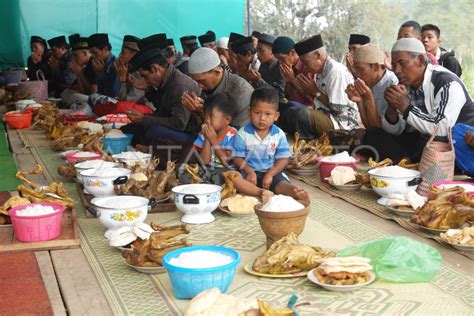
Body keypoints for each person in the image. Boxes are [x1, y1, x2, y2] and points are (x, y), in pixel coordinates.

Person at [377, 38, 474, 162]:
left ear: (420, 60)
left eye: (402, 63)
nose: (397, 70)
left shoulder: (446, 82)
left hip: (459, 142)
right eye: (394, 65)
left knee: (427, 141)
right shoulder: (406, 84)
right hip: (427, 139)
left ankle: (410, 161)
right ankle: (408, 161)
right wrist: (392, 107)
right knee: (375, 135)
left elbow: (442, 128)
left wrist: (405, 107)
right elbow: (396, 130)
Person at [230, 88, 310, 203]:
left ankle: (295, 192)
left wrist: (270, 174)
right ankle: (260, 192)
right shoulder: (243, 134)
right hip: (248, 173)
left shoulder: (278, 134)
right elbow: (237, 157)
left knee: (281, 184)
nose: (262, 118)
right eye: (257, 113)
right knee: (234, 178)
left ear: (276, 116)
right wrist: (249, 171)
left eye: (268, 114)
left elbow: (283, 158)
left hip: (271, 173)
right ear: (249, 112)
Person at [122, 44, 200, 154]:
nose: (144, 79)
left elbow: (178, 124)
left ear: (154, 68)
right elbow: (163, 108)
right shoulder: (168, 79)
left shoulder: (179, 85)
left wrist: (144, 119)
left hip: (192, 137)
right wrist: (148, 90)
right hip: (178, 131)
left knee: (153, 131)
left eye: (144, 76)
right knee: (128, 130)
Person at [279, 34, 359, 139]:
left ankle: (315, 141)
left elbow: (339, 109)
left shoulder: (335, 72)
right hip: (327, 116)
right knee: (289, 111)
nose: (305, 67)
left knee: (299, 114)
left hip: (342, 124)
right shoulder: (321, 71)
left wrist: (314, 91)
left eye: (306, 63)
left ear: (317, 55)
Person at [182, 47, 254, 129]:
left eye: (202, 81)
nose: (199, 86)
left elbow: (236, 137)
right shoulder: (204, 89)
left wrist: (204, 114)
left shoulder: (242, 91)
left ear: (217, 72)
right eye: (196, 81)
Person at [346, 44, 398, 129]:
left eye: (360, 69)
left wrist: (369, 98)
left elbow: (379, 130)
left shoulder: (392, 84)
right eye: (356, 69)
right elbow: (368, 126)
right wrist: (360, 101)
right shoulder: (369, 82)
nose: (358, 74)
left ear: (376, 67)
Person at [192, 92, 238, 184]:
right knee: (188, 175)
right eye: (206, 116)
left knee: (222, 178)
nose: (207, 121)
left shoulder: (233, 135)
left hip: (226, 171)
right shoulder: (203, 134)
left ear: (227, 120)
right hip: (207, 170)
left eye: (212, 117)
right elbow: (204, 162)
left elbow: (226, 161)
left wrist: (214, 140)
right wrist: (207, 140)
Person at [272, 36, 314, 107]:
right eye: (277, 59)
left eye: (281, 58)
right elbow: (288, 97)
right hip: (292, 106)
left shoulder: (307, 67)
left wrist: (292, 79)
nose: (280, 62)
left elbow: (311, 99)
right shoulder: (289, 68)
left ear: (292, 52)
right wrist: (287, 80)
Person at [87, 33, 120, 97]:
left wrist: (101, 74)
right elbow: (98, 91)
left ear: (105, 49)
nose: (92, 56)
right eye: (91, 53)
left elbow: (114, 94)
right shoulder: (98, 63)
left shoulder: (115, 65)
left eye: (94, 52)